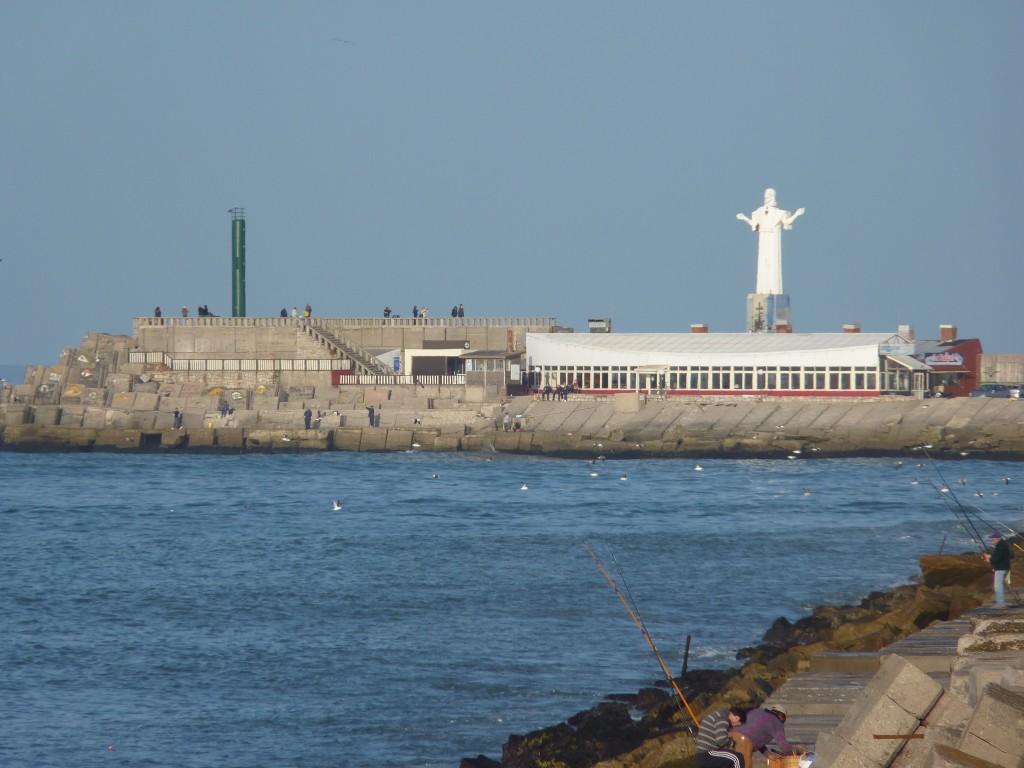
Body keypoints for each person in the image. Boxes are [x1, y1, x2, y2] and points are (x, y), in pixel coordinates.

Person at [984, 530, 1012, 607]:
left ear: (997, 538)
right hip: (1004, 567)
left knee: (998, 586)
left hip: (1000, 568)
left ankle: (1000, 603)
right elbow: (999, 556)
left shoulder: (1000, 546)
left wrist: (989, 560)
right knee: (999, 585)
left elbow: (996, 559)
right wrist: (991, 557)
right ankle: (1000, 602)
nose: (992, 539)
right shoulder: (1002, 544)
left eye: (993, 538)